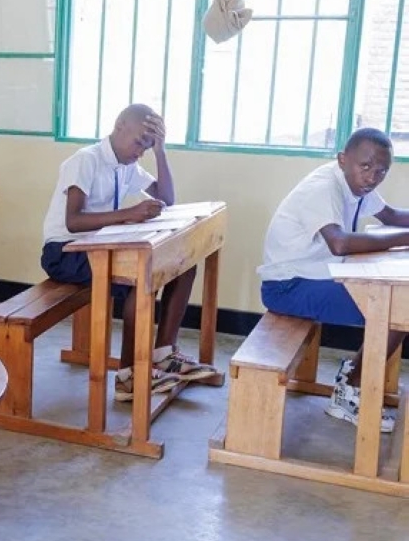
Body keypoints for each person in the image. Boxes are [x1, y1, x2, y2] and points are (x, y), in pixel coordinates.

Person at [41, 104, 218, 401]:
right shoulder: (86, 160)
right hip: (65, 252)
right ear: (119, 125)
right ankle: (129, 377)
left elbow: (167, 198)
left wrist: (161, 152)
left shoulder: (127, 166)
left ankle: (162, 352)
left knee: (184, 264)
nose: (140, 151)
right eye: (139, 142)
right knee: (140, 276)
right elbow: (73, 222)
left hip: (98, 247)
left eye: (147, 147)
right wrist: (129, 214)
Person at [259, 128, 409, 432]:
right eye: (365, 167)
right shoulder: (324, 186)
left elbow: (392, 215)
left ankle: (352, 374)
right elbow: (339, 243)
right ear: (343, 159)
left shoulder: (356, 186)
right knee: (395, 309)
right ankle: (350, 389)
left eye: (381, 171)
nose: (372, 176)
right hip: (288, 286)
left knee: (396, 302)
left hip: (315, 276)